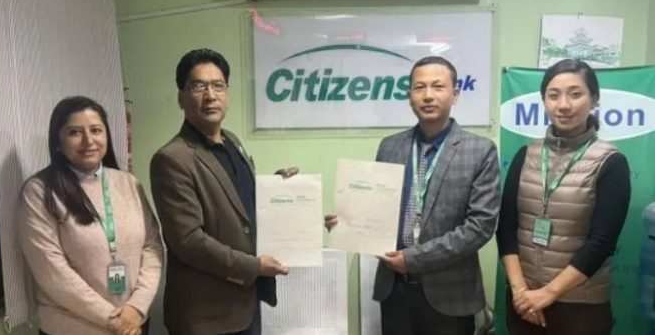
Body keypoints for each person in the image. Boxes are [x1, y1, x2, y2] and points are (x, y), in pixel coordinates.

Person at [326, 56, 500, 335]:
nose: (428, 95)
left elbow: (480, 227)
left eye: (438, 87)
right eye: (419, 87)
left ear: (455, 94)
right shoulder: (390, 147)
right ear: (409, 96)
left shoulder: (480, 150)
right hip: (395, 291)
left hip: (451, 295)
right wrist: (348, 222)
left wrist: (413, 258)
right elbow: (377, 210)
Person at [150, 48, 295, 335]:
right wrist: (254, 266)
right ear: (181, 97)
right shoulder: (172, 159)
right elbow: (188, 241)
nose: (210, 95)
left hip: (245, 304)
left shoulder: (232, 142)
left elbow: (240, 204)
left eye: (218, 85)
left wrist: (283, 192)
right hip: (207, 316)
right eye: (198, 86)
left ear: (227, 92)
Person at [496, 59, 631, 335]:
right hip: (524, 304)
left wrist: (547, 294)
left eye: (575, 94)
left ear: (594, 99)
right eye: (554, 95)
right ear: (544, 101)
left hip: (580, 308)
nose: (564, 105)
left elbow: (601, 243)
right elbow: (506, 228)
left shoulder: (610, 162)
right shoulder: (526, 155)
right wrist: (521, 292)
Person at [17, 96, 164, 335]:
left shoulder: (128, 183)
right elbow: (52, 272)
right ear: (57, 141)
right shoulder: (39, 192)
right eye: (75, 132)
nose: (89, 141)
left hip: (134, 323)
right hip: (74, 329)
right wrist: (114, 320)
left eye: (96, 130)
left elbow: (152, 247)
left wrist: (136, 308)